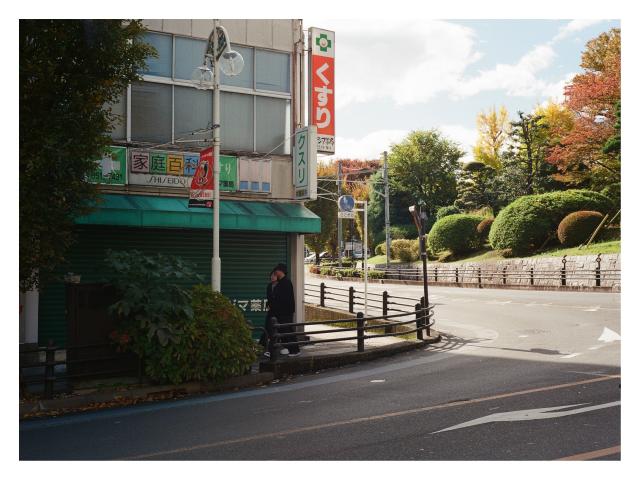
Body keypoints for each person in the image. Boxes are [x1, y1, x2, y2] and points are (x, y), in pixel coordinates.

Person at [271, 263, 300, 357]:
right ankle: (288, 348)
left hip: (285, 312)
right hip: (282, 311)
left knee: (287, 330)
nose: (275, 273)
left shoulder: (286, 282)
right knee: (283, 330)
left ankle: (295, 350)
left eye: (276, 271)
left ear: (281, 271)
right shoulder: (282, 282)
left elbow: (284, 298)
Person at [260, 270, 279, 358]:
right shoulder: (269, 286)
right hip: (271, 310)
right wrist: (268, 305)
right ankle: (262, 346)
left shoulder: (279, 286)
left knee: (273, 330)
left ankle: (269, 348)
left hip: (277, 311)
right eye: (271, 275)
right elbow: (269, 298)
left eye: (274, 275)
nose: (272, 277)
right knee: (267, 328)